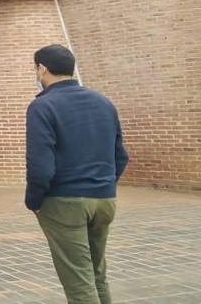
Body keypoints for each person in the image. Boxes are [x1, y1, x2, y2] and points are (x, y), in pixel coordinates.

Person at [26, 44, 129, 304]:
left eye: (35, 68)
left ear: (42, 69)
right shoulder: (103, 103)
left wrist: (34, 200)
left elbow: (40, 165)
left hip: (65, 202)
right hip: (104, 199)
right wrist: (103, 185)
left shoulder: (43, 107)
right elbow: (121, 155)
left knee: (79, 283)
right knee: (97, 275)